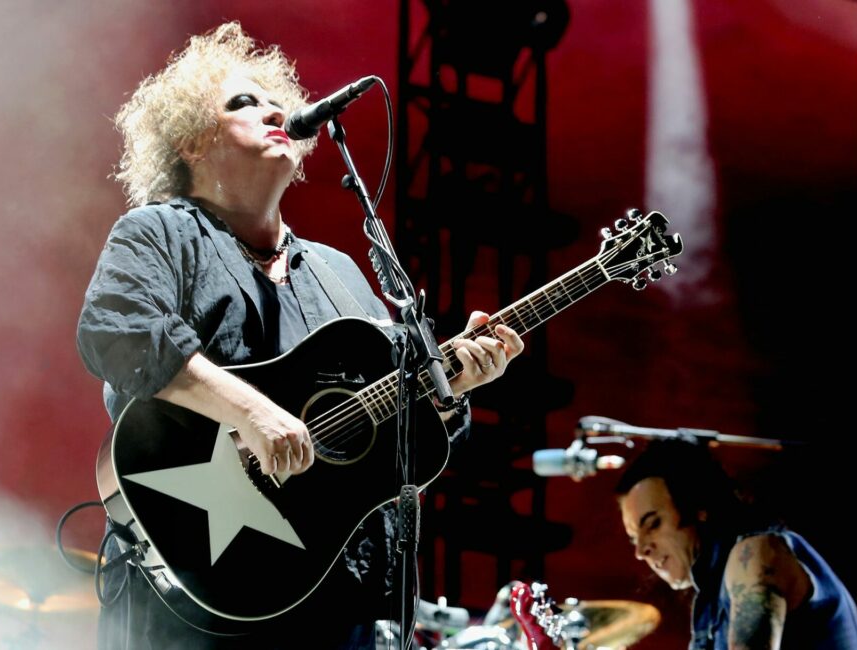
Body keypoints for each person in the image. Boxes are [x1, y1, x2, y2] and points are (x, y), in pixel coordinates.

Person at [76, 22, 523, 649]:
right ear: (192, 145)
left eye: (273, 99)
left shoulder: (341, 274)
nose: (274, 110)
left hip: (334, 598)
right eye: (243, 102)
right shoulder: (158, 233)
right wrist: (250, 409)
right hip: (196, 599)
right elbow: (117, 330)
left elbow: (396, 442)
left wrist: (450, 388)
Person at [615, 439, 857, 649]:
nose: (641, 550)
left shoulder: (755, 556)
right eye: (634, 538)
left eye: (653, 524)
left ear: (698, 506)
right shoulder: (712, 602)